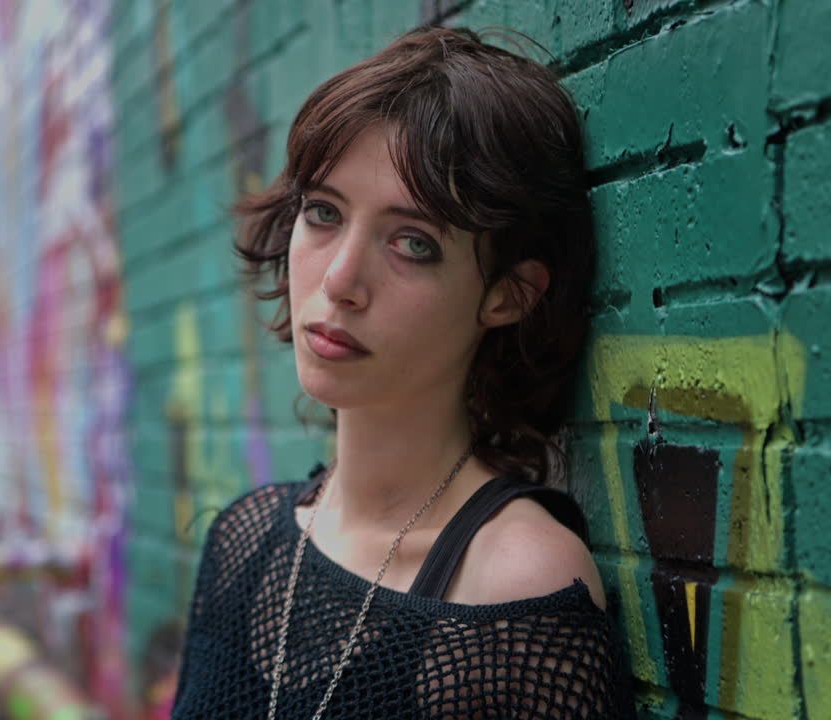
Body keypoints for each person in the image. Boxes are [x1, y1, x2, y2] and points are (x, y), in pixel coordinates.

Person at [171, 24, 634, 719]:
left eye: (412, 243)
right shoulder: (245, 542)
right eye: (323, 212)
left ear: (508, 294)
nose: (339, 279)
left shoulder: (513, 590)